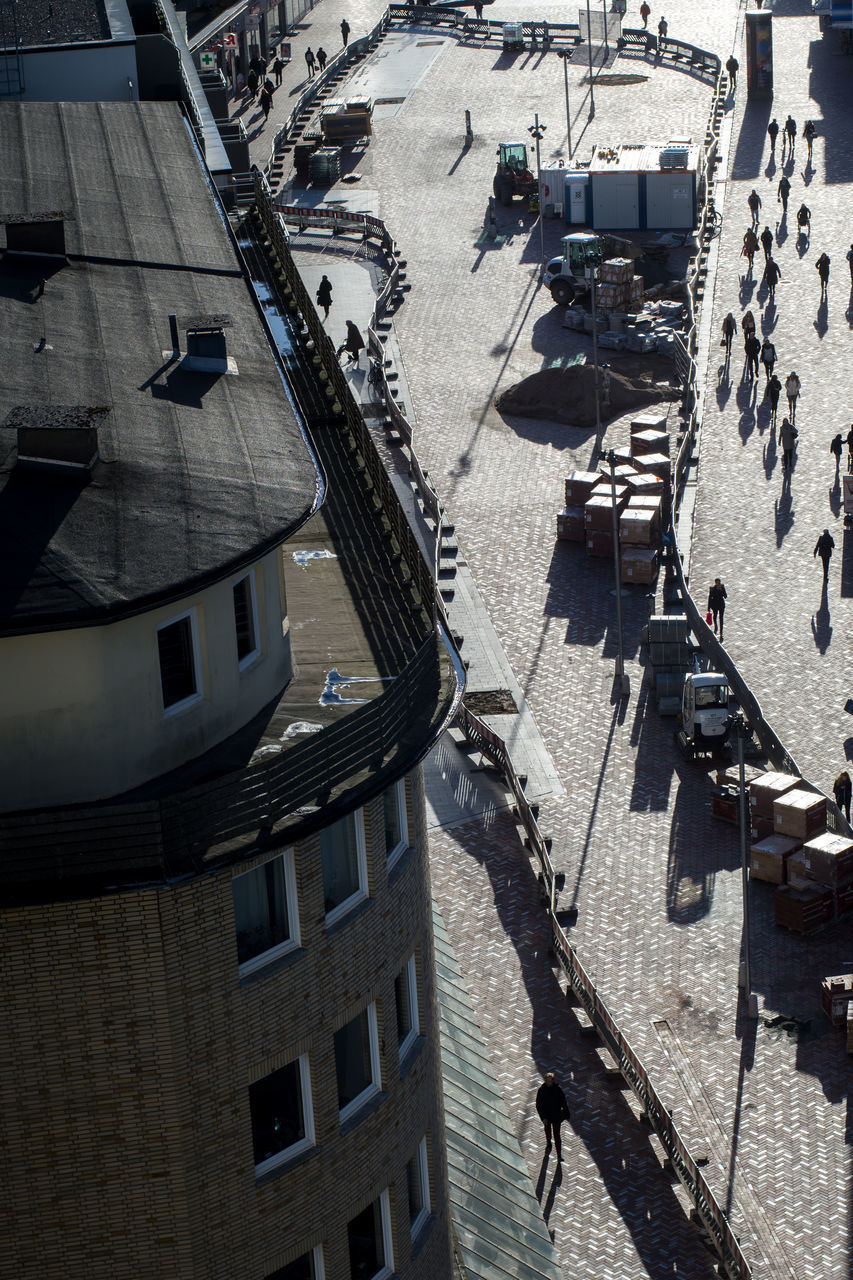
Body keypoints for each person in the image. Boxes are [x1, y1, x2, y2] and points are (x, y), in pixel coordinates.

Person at [535, 1071, 571, 1163]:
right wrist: (543, 1118)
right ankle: (548, 1141)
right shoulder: (542, 1090)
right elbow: (539, 1105)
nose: (548, 1083)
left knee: (557, 1135)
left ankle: (559, 1156)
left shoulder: (557, 1090)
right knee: (547, 1130)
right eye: (547, 1081)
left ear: (553, 1081)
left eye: (550, 1081)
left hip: (556, 1116)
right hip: (547, 1116)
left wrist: (566, 1113)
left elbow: (563, 1102)